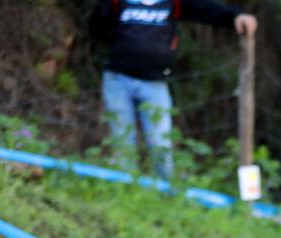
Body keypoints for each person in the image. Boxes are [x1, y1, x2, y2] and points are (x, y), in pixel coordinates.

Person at [89, 0, 258, 180]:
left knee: (160, 145)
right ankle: (124, 193)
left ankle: (165, 195)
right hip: (118, 80)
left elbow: (205, 9)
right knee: (122, 144)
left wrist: (235, 16)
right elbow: (97, 26)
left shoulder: (173, 2)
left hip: (155, 84)